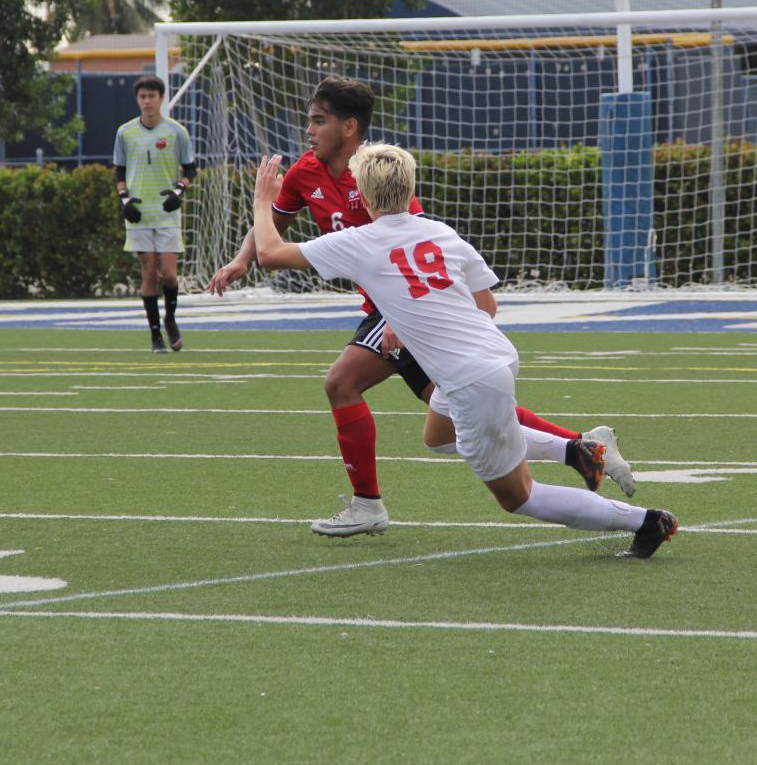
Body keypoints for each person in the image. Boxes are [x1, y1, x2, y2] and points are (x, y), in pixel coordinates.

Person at [207, 76, 635, 537]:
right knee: (448, 409)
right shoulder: (304, 173)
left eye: (319, 120)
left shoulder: (379, 174)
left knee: (343, 383)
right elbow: (276, 225)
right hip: (395, 312)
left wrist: (395, 316)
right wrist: (240, 260)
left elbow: (411, 249)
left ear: (349, 127)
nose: (308, 130)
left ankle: (368, 504)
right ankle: (580, 448)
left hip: (402, 311)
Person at [250, 144, 678, 558]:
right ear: (410, 187)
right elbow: (487, 305)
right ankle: (578, 450)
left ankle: (647, 522)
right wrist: (407, 319)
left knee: (519, 497)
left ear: (361, 194)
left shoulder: (359, 241)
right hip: (494, 353)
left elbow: (269, 254)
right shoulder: (440, 231)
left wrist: (262, 201)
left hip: (472, 376)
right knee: (437, 437)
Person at [114, 75, 197, 353]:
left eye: (152, 96)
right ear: (137, 100)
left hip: (166, 214)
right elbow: (119, 171)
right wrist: (125, 200)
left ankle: (170, 320)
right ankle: (154, 336)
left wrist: (178, 193)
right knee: (149, 272)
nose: (147, 101)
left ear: (161, 98)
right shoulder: (125, 132)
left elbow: (190, 169)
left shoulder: (176, 132)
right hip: (139, 214)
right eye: (143, 97)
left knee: (170, 275)